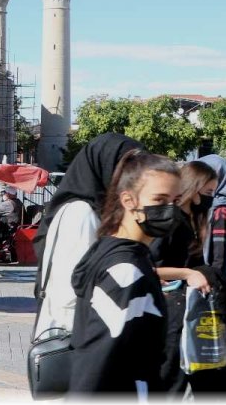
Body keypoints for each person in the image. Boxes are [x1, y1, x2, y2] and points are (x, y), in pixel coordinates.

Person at [69, 150, 179, 394]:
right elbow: (96, 361)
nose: (170, 209)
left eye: (176, 200)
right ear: (129, 200)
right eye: (160, 200)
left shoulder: (112, 251)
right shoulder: (126, 271)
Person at [33, 132, 145, 339]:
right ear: (105, 166)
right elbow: (73, 288)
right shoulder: (81, 213)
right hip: (71, 331)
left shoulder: (95, 210)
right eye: (126, 169)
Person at [151, 159, 216, 396]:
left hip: (188, 310)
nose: (211, 197)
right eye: (208, 191)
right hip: (169, 310)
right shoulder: (170, 220)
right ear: (194, 187)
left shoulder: (195, 218)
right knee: (171, 380)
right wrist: (188, 273)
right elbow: (149, 268)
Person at [191, 154, 226, 395]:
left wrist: (212, 288)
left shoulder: (221, 210)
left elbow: (219, 257)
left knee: (214, 349)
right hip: (213, 286)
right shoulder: (221, 206)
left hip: (213, 289)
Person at [0, 185, 23, 263]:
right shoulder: (18, 202)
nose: (4, 194)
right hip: (14, 226)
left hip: (10, 229)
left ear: (8, 194)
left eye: (5, 193)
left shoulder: (9, 204)